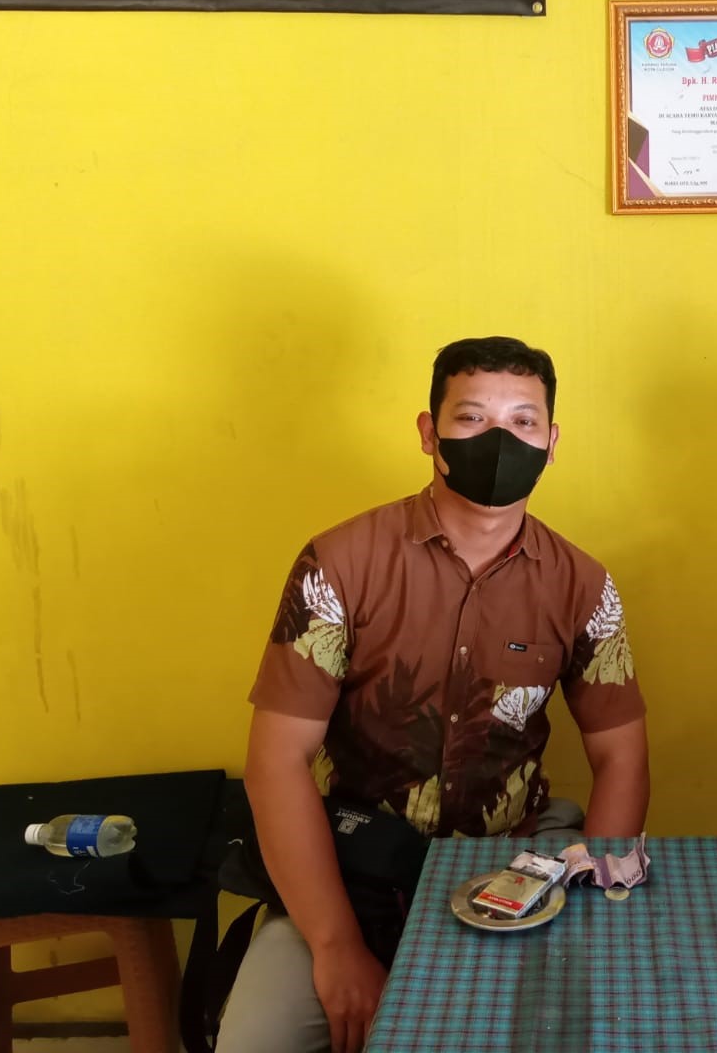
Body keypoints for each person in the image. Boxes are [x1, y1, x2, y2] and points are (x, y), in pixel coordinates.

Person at [219, 336, 650, 1053]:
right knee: (254, 1044)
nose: (500, 440)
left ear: (551, 443)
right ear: (429, 432)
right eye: (472, 418)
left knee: (563, 1029)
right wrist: (335, 947)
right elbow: (276, 762)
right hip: (350, 863)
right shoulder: (339, 563)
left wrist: (593, 904)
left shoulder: (582, 584)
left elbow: (622, 757)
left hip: (513, 859)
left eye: (523, 421)